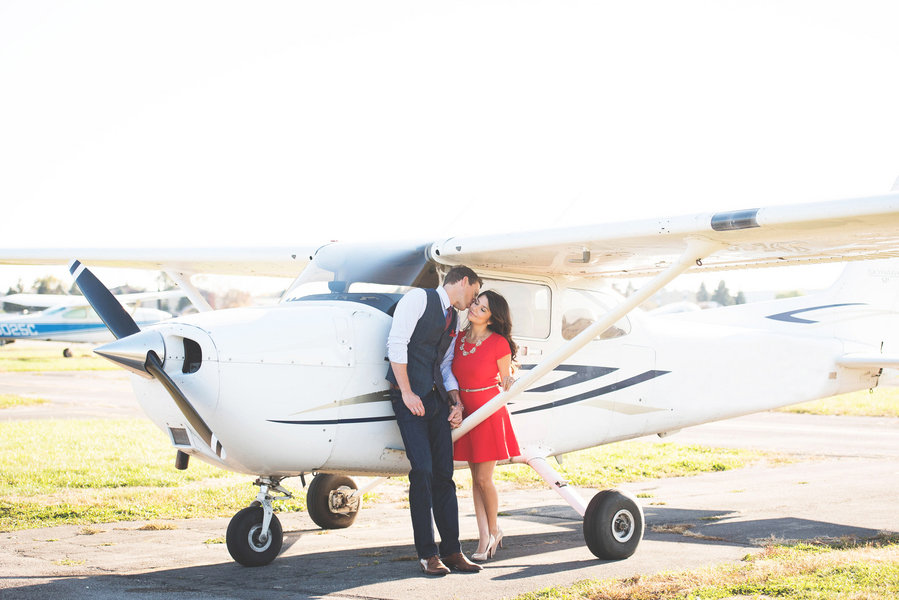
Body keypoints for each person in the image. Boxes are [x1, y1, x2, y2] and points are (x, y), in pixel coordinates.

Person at [385, 265, 484, 576]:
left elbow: (444, 365)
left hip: (437, 401)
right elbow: (396, 345)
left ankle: (452, 551)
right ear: (464, 281)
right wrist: (406, 393)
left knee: (444, 474)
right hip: (409, 400)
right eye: (475, 292)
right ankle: (428, 554)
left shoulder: (453, 317)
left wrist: (456, 403)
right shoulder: (418, 300)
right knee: (423, 471)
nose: (474, 300)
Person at [452, 289, 520, 562]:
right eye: (476, 303)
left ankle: (494, 530)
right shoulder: (458, 339)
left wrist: (511, 380)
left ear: (492, 319)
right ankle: (483, 536)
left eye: (482, 309)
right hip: (465, 410)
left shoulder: (499, 343)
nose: (475, 309)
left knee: (483, 478)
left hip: (489, 412)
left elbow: (507, 379)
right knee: (474, 480)